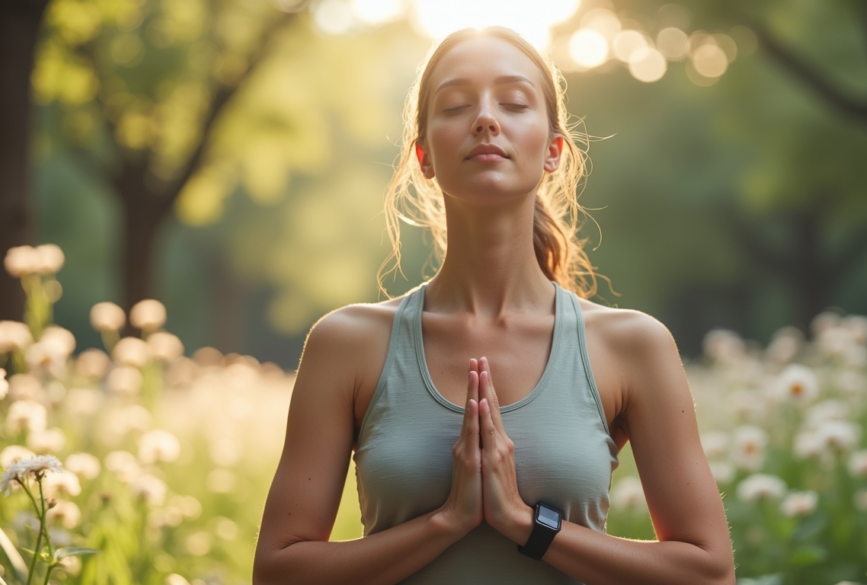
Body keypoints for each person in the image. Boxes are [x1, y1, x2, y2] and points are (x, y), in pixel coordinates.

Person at [253, 26, 734, 585]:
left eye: (513, 102)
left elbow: (707, 572)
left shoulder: (633, 346)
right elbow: (278, 571)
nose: (485, 118)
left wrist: (527, 526)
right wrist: (446, 522)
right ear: (424, 155)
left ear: (553, 150)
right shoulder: (347, 344)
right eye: (456, 105)